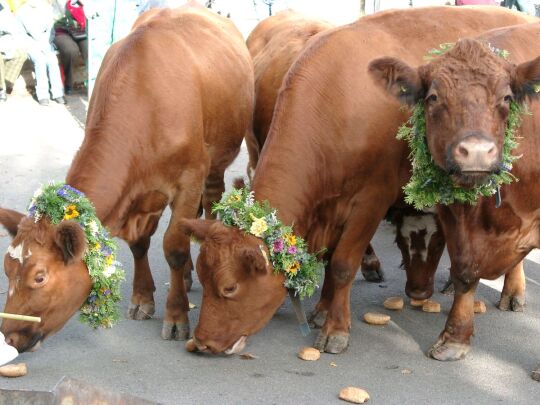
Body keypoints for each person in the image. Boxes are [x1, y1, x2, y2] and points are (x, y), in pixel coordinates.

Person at [16, 0, 65, 105]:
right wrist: (40, 45)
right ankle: (43, 95)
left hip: (45, 42)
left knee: (52, 61)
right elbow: (31, 32)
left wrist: (47, 42)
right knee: (40, 61)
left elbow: (51, 30)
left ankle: (58, 93)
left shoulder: (46, 8)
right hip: (30, 43)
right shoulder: (23, 10)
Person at [53, 0, 86, 95]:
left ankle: (94, 81)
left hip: (82, 30)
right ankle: (69, 83)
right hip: (62, 31)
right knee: (70, 50)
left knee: (89, 49)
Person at [0, 0, 28, 102]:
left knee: (21, 54)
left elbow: (11, 28)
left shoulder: (3, 6)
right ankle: (1, 89)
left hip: (4, 40)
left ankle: (5, 81)